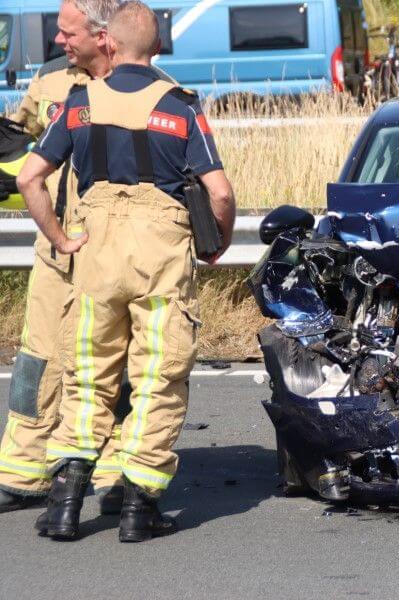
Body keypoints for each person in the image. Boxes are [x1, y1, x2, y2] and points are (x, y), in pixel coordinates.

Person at [17, 0, 236, 542]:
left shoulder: (78, 103)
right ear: (157, 47)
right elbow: (221, 192)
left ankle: (65, 507)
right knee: (157, 378)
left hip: (94, 255)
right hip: (159, 257)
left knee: (87, 376)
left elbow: (29, 179)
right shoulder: (180, 106)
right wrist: (218, 244)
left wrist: (62, 238)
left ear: (109, 42)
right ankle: (138, 508)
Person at [0, 0, 134, 516]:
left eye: (67, 32)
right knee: (36, 362)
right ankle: (22, 470)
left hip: (114, 253)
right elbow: (24, 145)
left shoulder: (146, 86)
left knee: (110, 366)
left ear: (103, 35)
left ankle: (112, 471)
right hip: (55, 250)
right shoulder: (51, 83)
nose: (58, 41)